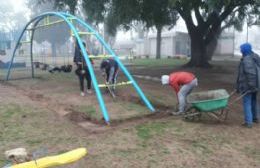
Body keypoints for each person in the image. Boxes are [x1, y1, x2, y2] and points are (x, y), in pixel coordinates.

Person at [236, 43, 259, 128]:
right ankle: (255, 118)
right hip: (256, 84)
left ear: (245, 50)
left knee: (247, 102)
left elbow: (251, 74)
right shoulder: (254, 56)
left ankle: (248, 122)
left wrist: (251, 87)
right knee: (253, 100)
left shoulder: (247, 60)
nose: (240, 50)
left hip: (249, 86)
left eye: (241, 49)